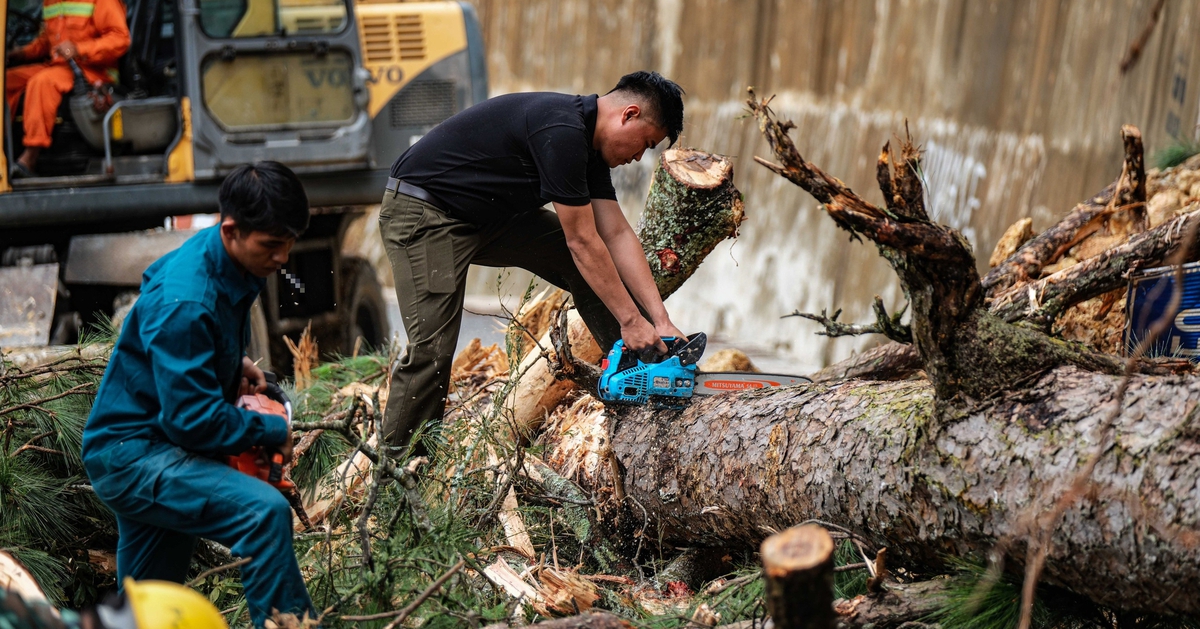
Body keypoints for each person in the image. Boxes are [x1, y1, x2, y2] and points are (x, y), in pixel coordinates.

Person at [379, 70, 686, 450]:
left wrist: (659, 320)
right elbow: (582, 242)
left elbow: (617, 235)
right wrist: (630, 320)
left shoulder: (589, 151)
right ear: (629, 114)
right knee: (433, 349)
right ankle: (399, 471)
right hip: (425, 214)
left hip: (488, 216)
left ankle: (639, 372)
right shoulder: (560, 130)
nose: (638, 156)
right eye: (645, 143)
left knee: (591, 267)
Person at [81, 162, 316, 628]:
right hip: (136, 454)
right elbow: (191, 420)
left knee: (151, 604)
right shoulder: (187, 301)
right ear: (231, 230)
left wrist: (230, 362)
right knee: (263, 514)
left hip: (151, 443)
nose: (283, 258)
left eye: (288, 243)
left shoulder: (218, 257)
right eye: (272, 245)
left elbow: (162, 293)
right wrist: (272, 428)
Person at [4, 0, 130, 177]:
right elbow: (46, 42)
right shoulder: (50, 2)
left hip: (93, 71)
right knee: (6, 80)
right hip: (58, 66)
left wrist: (79, 49)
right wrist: (22, 53)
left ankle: (30, 157)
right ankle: (5, 148)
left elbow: (120, 38)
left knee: (42, 82)